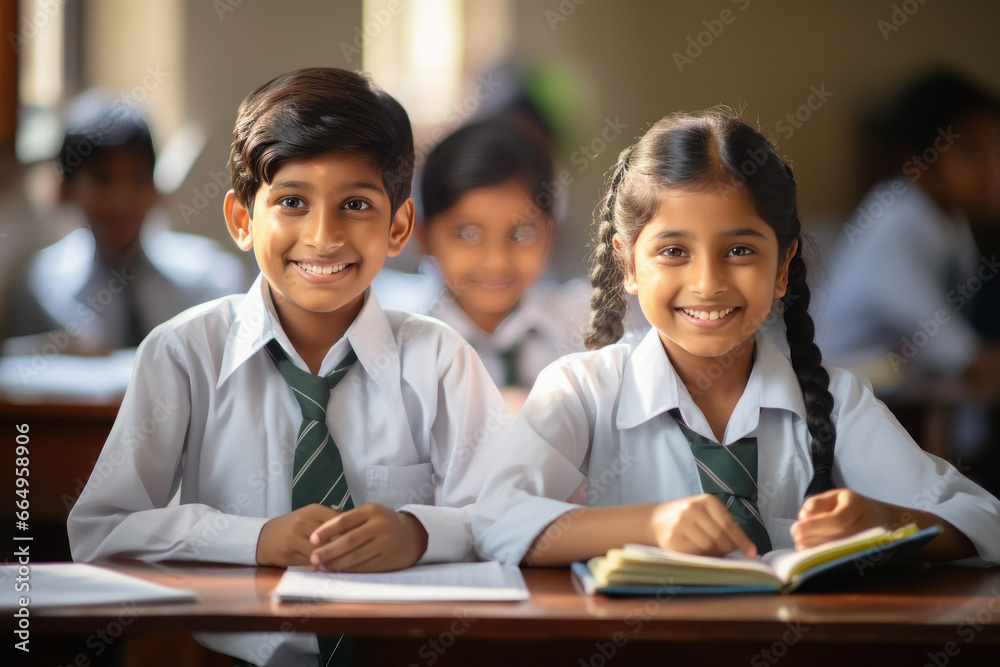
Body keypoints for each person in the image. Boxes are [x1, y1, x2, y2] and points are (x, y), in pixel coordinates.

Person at [67, 68, 510, 667]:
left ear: (399, 225)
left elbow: (509, 519)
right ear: (242, 220)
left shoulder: (441, 361)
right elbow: (100, 531)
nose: (322, 236)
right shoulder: (182, 354)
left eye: (355, 204)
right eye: (292, 202)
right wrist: (253, 539)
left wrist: (421, 532)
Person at [473, 109, 1000, 569]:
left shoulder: (837, 401)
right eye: (674, 251)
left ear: (782, 266)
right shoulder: (581, 389)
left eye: (740, 251)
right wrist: (648, 526)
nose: (707, 283)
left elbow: (984, 519)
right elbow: (497, 519)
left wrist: (886, 520)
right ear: (628, 263)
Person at [2, 92, 247, 356]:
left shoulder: (210, 279)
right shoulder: (43, 287)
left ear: (157, 189)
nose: (120, 202)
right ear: (64, 190)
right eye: (101, 180)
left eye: (138, 178)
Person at [373, 118, 590, 406]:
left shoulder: (591, 329)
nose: (497, 261)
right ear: (423, 239)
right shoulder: (394, 347)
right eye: (467, 234)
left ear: (549, 234)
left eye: (521, 233)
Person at [815, 70, 1000, 391]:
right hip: (835, 406)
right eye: (970, 152)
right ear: (916, 161)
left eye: (995, 151)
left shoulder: (951, 222)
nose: (990, 171)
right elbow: (961, 357)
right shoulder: (896, 226)